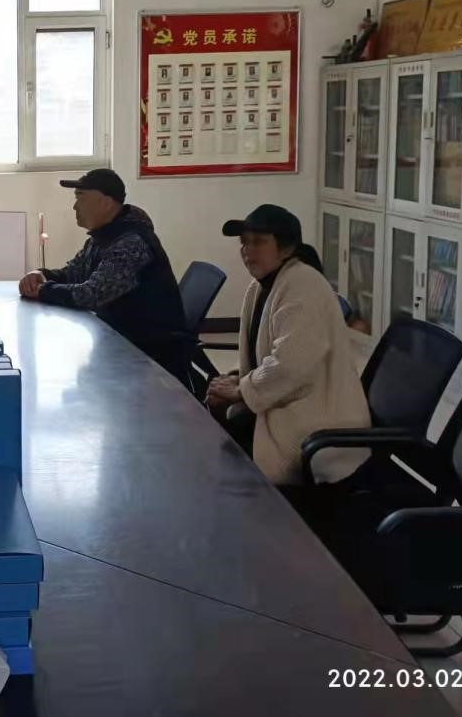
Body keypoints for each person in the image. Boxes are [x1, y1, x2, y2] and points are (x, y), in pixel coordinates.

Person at [204, 204, 370, 487]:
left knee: (219, 456)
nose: (247, 250)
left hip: (315, 421)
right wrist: (235, 379)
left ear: (286, 248)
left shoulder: (303, 286)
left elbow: (291, 366)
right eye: (244, 242)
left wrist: (241, 390)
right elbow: (262, 353)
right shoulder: (262, 285)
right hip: (286, 402)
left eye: (259, 242)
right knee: (214, 427)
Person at [18, 169, 189, 384]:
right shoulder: (103, 237)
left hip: (150, 359)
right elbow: (74, 273)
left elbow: (92, 294)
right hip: (120, 342)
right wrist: (41, 274)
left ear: (105, 203)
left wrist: (43, 290)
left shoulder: (131, 242)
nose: (74, 206)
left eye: (81, 197)